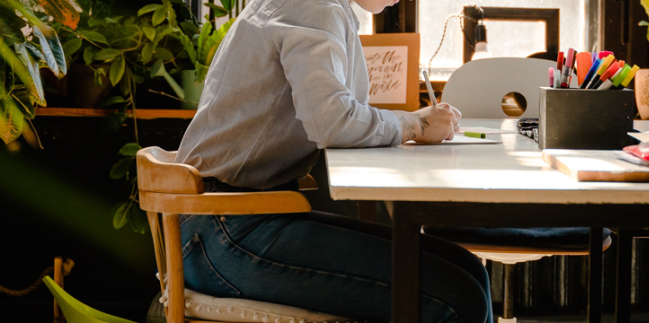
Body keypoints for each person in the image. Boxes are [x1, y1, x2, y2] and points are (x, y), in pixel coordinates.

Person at [173, 0, 492, 321]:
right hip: (224, 230)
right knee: (458, 298)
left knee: (468, 269)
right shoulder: (314, 7)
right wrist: (417, 124)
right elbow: (332, 121)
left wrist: (411, 124)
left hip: (235, 217)